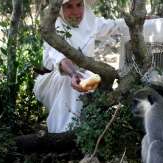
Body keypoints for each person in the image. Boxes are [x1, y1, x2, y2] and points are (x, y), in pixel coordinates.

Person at [33, 0, 126, 133]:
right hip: (56, 79)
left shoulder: (90, 20)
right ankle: (63, 133)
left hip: (83, 75)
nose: (76, 12)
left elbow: (115, 25)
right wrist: (73, 74)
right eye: (69, 6)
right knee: (70, 83)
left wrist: (144, 21)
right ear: (60, 8)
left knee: (96, 83)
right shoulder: (54, 26)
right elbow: (61, 59)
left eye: (79, 5)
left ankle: (89, 133)